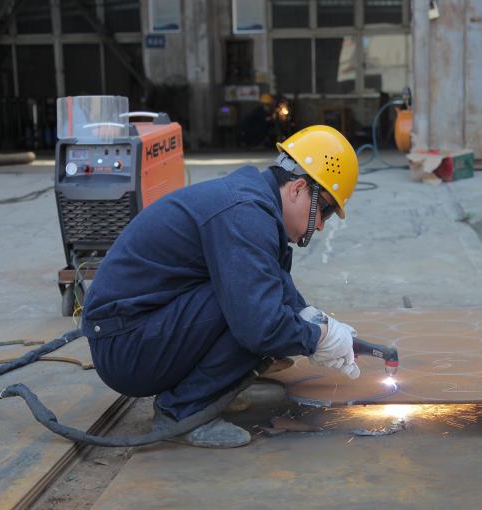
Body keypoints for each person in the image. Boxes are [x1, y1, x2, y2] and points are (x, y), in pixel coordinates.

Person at [81, 125, 360, 448]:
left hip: (136, 331)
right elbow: (261, 324)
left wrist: (313, 319)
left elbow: (275, 283)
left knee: (261, 303)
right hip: (124, 349)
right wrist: (316, 338)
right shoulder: (245, 214)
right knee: (256, 317)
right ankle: (182, 411)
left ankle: (212, 390)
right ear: (298, 188)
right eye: (324, 209)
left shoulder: (254, 204)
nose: (321, 224)